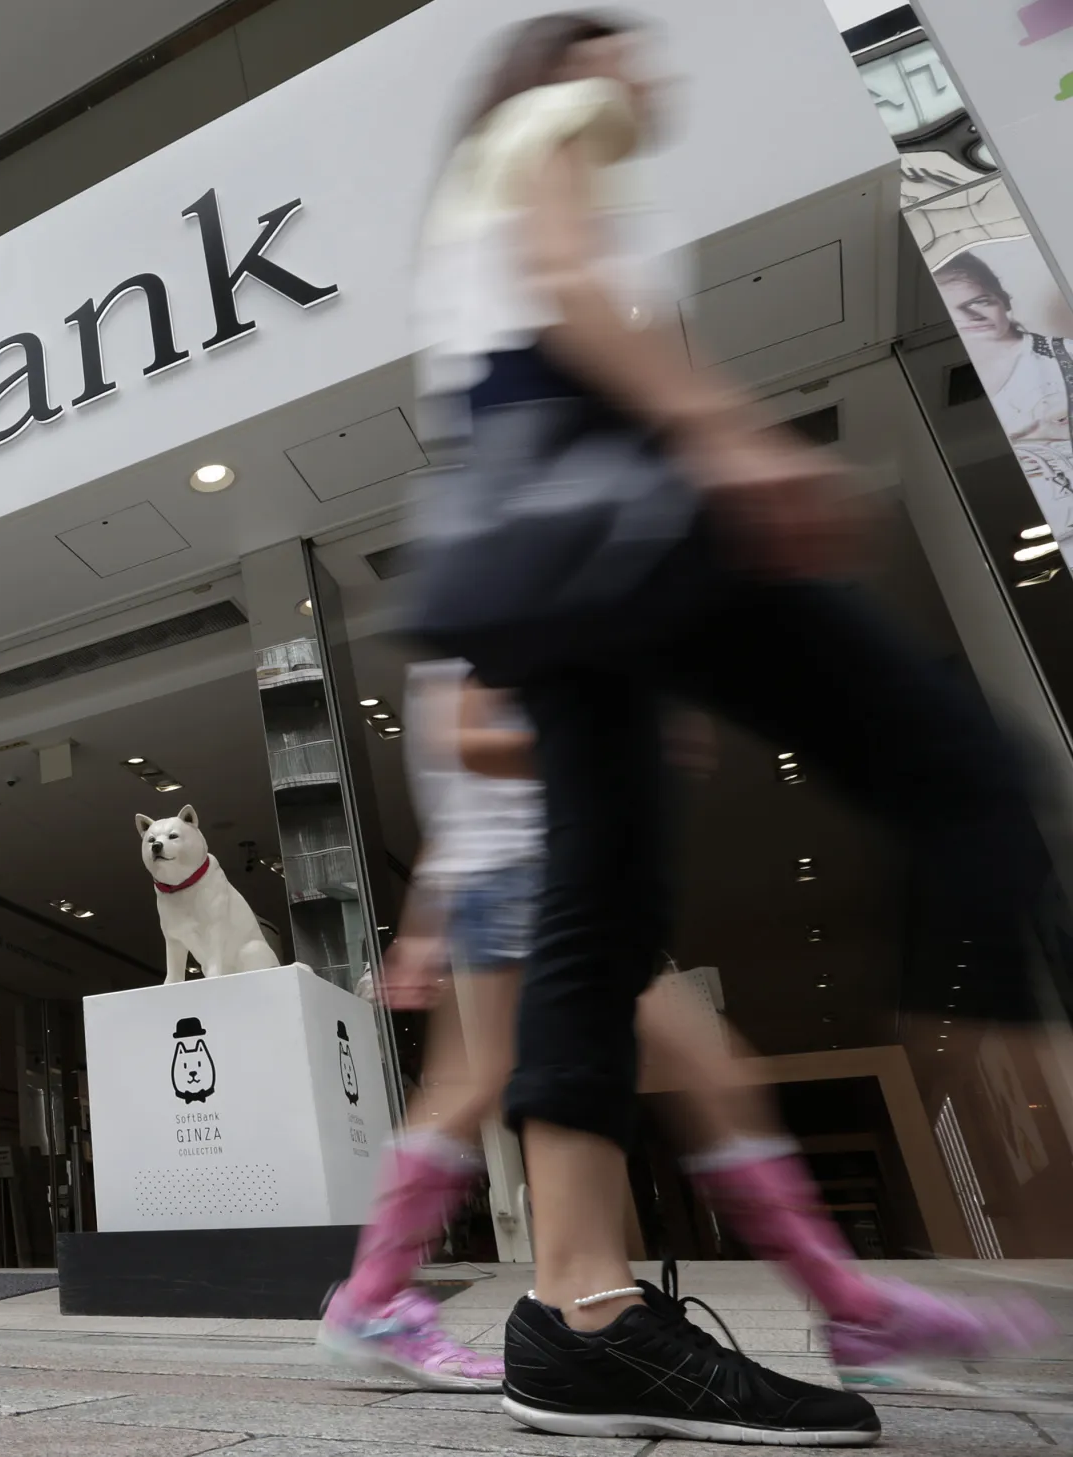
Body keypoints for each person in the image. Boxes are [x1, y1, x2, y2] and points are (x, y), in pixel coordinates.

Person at [413, 15, 1053, 1443]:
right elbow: (566, 285)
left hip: (549, 569)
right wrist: (726, 433)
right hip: (623, 537)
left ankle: (579, 1317)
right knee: (962, 771)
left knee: (599, 908)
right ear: (569, 64)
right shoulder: (552, 127)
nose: (647, 62)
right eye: (618, 38)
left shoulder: (483, 178)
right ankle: (1042, 1184)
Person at [933, 251, 1073, 524]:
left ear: (1003, 300)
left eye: (980, 302)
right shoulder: (950, 397)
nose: (970, 316)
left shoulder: (1064, 356)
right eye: (953, 310)